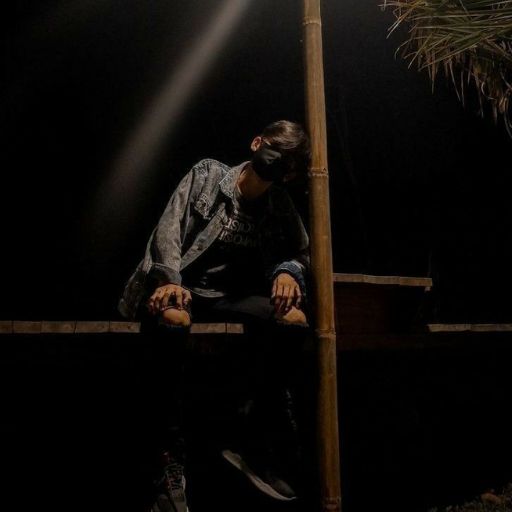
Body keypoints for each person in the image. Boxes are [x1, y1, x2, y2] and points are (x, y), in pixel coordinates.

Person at [118, 120, 312, 512]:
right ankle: (167, 462)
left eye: (291, 163)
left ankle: (252, 437)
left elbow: (301, 250)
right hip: (179, 285)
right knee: (174, 323)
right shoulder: (209, 175)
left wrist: (289, 271)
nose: (281, 165)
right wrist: (168, 280)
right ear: (257, 143)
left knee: (293, 322)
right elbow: (167, 231)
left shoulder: (279, 204)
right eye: (277, 152)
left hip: (228, 297)